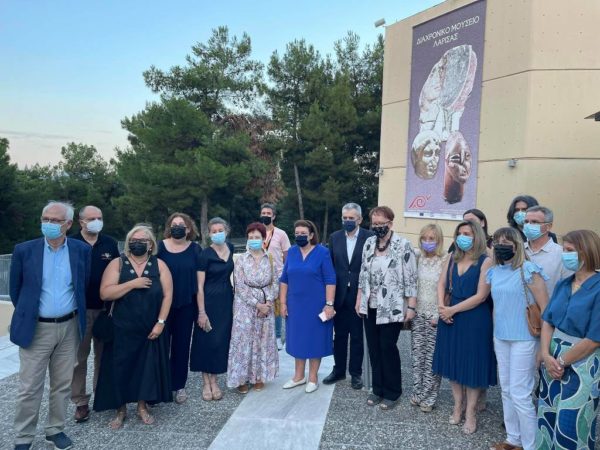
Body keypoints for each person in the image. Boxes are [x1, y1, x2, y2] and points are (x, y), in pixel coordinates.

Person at [10, 201, 91, 450]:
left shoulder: (81, 250)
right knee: (29, 387)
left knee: (62, 384)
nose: (49, 224)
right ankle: (24, 437)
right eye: (45, 219)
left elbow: (83, 284)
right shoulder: (24, 250)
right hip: (37, 328)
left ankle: (55, 429)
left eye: (55, 220)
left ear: (68, 224)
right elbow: (16, 290)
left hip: (69, 326)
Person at [94, 224, 173, 428]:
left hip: (149, 326)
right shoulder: (118, 263)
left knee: (145, 368)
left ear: (150, 245)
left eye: (142, 241)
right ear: (128, 243)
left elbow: (167, 296)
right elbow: (105, 293)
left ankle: (142, 406)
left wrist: (161, 323)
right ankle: (120, 409)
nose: (137, 243)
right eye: (134, 240)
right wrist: (132, 284)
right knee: (119, 367)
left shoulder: (159, 265)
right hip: (121, 326)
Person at [537, 230, 600, 449]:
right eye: (564, 249)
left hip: (583, 363)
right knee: (547, 416)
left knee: (572, 423)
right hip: (552, 359)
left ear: (587, 251)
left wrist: (561, 362)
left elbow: (594, 339)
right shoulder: (564, 284)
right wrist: (546, 355)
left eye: (570, 250)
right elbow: (548, 321)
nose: (565, 254)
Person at [486, 227, 548, 450]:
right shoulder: (494, 271)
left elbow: (546, 308)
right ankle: (513, 439)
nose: (501, 246)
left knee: (520, 394)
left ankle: (530, 445)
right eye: (497, 242)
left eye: (506, 242)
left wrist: (543, 347)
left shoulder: (529, 270)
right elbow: (497, 307)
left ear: (517, 245)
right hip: (501, 337)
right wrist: (494, 334)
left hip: (525, 339)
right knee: (506, 390)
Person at [432, 220, 496, 435]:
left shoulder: (486, 261)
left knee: (472, 366)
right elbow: (441, 284)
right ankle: (457, 405)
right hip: (450, 316)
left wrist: (452, 310)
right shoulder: (452, 257)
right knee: (453, 363)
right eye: (460, 233)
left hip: (474, 318)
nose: (463, 237)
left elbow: (481, 296)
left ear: (477, 235)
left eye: (467, 233)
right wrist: (442, 307)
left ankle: (471, 412)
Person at [356, 206, 418, 410]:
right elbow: (363, 274)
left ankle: (393, 392)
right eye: (374, 223)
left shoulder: (403, 245)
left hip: (392, 306)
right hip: (370, 305)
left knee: (387, 347)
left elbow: (411, 278)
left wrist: (411, 307)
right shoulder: (369, 243)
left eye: (381, 223)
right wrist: (359, 299)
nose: (377, 227)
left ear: (390, 223)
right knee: (374, 349)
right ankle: (377, 389)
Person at [70, 205, 119, 423]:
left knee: (104, 356)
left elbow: (118, 271)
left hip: (105, 309)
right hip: (79, 310)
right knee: (79, 359)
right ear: (81, 221)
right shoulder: (71, 243)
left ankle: (102, 395)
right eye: (91, 218)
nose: (96, 221)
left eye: (99, 217)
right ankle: (80, 402)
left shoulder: (109, 243)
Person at [280, 219, 336, 393]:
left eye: (303, 233)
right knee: (297, 339)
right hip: (295, 304)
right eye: (297, 233)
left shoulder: (322, 252)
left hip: (317, 305)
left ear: (311, 235)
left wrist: (329, 304)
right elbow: (284, 279)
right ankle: (298, 376)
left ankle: (312, 377)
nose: (300, 236)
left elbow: (330, 280)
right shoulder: (292, 252)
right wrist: (282, 302)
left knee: (315, 339)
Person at [323, 203, 374, 390]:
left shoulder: (370, 237)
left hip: (359, 295)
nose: (347, 221)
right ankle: (338, 370)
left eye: (351, 218)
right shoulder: (335, 237)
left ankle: (356, 373)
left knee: (357, 337)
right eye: (345, 218)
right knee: (340, 336)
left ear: (359, 219)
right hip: (340, 295)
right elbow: (330, 267)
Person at [227, 222, 279, 393]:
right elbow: (240, 286)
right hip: (245, 306)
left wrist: (268, 303)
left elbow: (275, 282)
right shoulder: (241, 259)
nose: (253, 240)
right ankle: (241, 378)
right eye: (251, 237)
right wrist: (257, 304)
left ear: (263, 239)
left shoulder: (270, 258)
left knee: (263, 341)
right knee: (243, 342)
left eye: (257, 237)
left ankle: (259, 376)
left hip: (266, 305)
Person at [157, 212, 202, 404]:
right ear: (169, 227)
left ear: (188, 228)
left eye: (181, 225)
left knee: (181, 346)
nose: (177, 227)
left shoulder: (195, 249)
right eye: (173, 224)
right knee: (161, 345)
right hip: (161, 306)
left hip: (186, 305)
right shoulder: (159, 247)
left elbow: (201, 279)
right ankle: (160, 385)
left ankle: (179, 385)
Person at [190, 217, 235, 401]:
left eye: (220, 230)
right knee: (205, 340)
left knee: (219, 340)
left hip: (226, 300)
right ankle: (206, 383)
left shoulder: (231, 248)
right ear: (209, 234)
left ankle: (215, 380)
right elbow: (199, 286)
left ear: (226, 231)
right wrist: (201, 312)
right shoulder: (204, 255)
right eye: (214, 231)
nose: (217, 234)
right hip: (207, 300)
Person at [410, 224, 447, 413]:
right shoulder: (418, 258)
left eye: (431, 238)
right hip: (418, 314)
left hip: (435, 315)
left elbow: (447, 289)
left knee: (432, 358)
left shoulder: (445, 260)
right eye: (424, 238)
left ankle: (430, 396)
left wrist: (440, 313)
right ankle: (418, 392)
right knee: (418, 356)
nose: (427, 242)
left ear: (439, 240)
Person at [259, 203, 291, 350]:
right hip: (259, 276)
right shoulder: (256, 232)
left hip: (276, 275)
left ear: (273, 216)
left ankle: (277, 337)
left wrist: (285, 275)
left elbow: (287, 256)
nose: (265, 216)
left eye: (268, 213)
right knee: (261, 305)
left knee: (276, 307)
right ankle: (262, 336)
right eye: (263, 213)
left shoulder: (281, 234)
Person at [523, 206, 572, 297]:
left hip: (550, 305)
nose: (528, 225)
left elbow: (568, 288)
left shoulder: (562, 254)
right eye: (526, 222)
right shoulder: (517, 251)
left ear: (548, 226)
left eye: (534, 222)